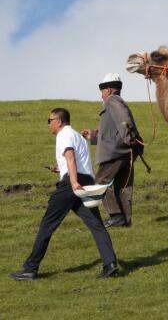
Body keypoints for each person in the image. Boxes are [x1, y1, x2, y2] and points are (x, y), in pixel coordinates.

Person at [10, 107, 119, 281]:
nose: (49, 125)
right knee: (96, 225)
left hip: (72, 185)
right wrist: (61, 170)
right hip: (85, 183)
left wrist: (73, 181)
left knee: (47, 224)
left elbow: (70, 158)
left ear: (58, 121)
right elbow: (77, 162)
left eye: (49, 121)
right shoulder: (78, 137)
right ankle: (110, 264)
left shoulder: (63, 134)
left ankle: (30, 269)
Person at [82, 72, 142, 228]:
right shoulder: (117, 101)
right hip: (123, 152)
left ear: (108, 90)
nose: (101, 95)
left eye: (102, 91)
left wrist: (128, 138)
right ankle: (125, 220)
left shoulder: (112, 100)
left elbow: (124, 120)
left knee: (99, 184)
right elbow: (113, 130)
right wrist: (93, 136)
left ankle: (115, 216)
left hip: (114, 153)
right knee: (123, 187)